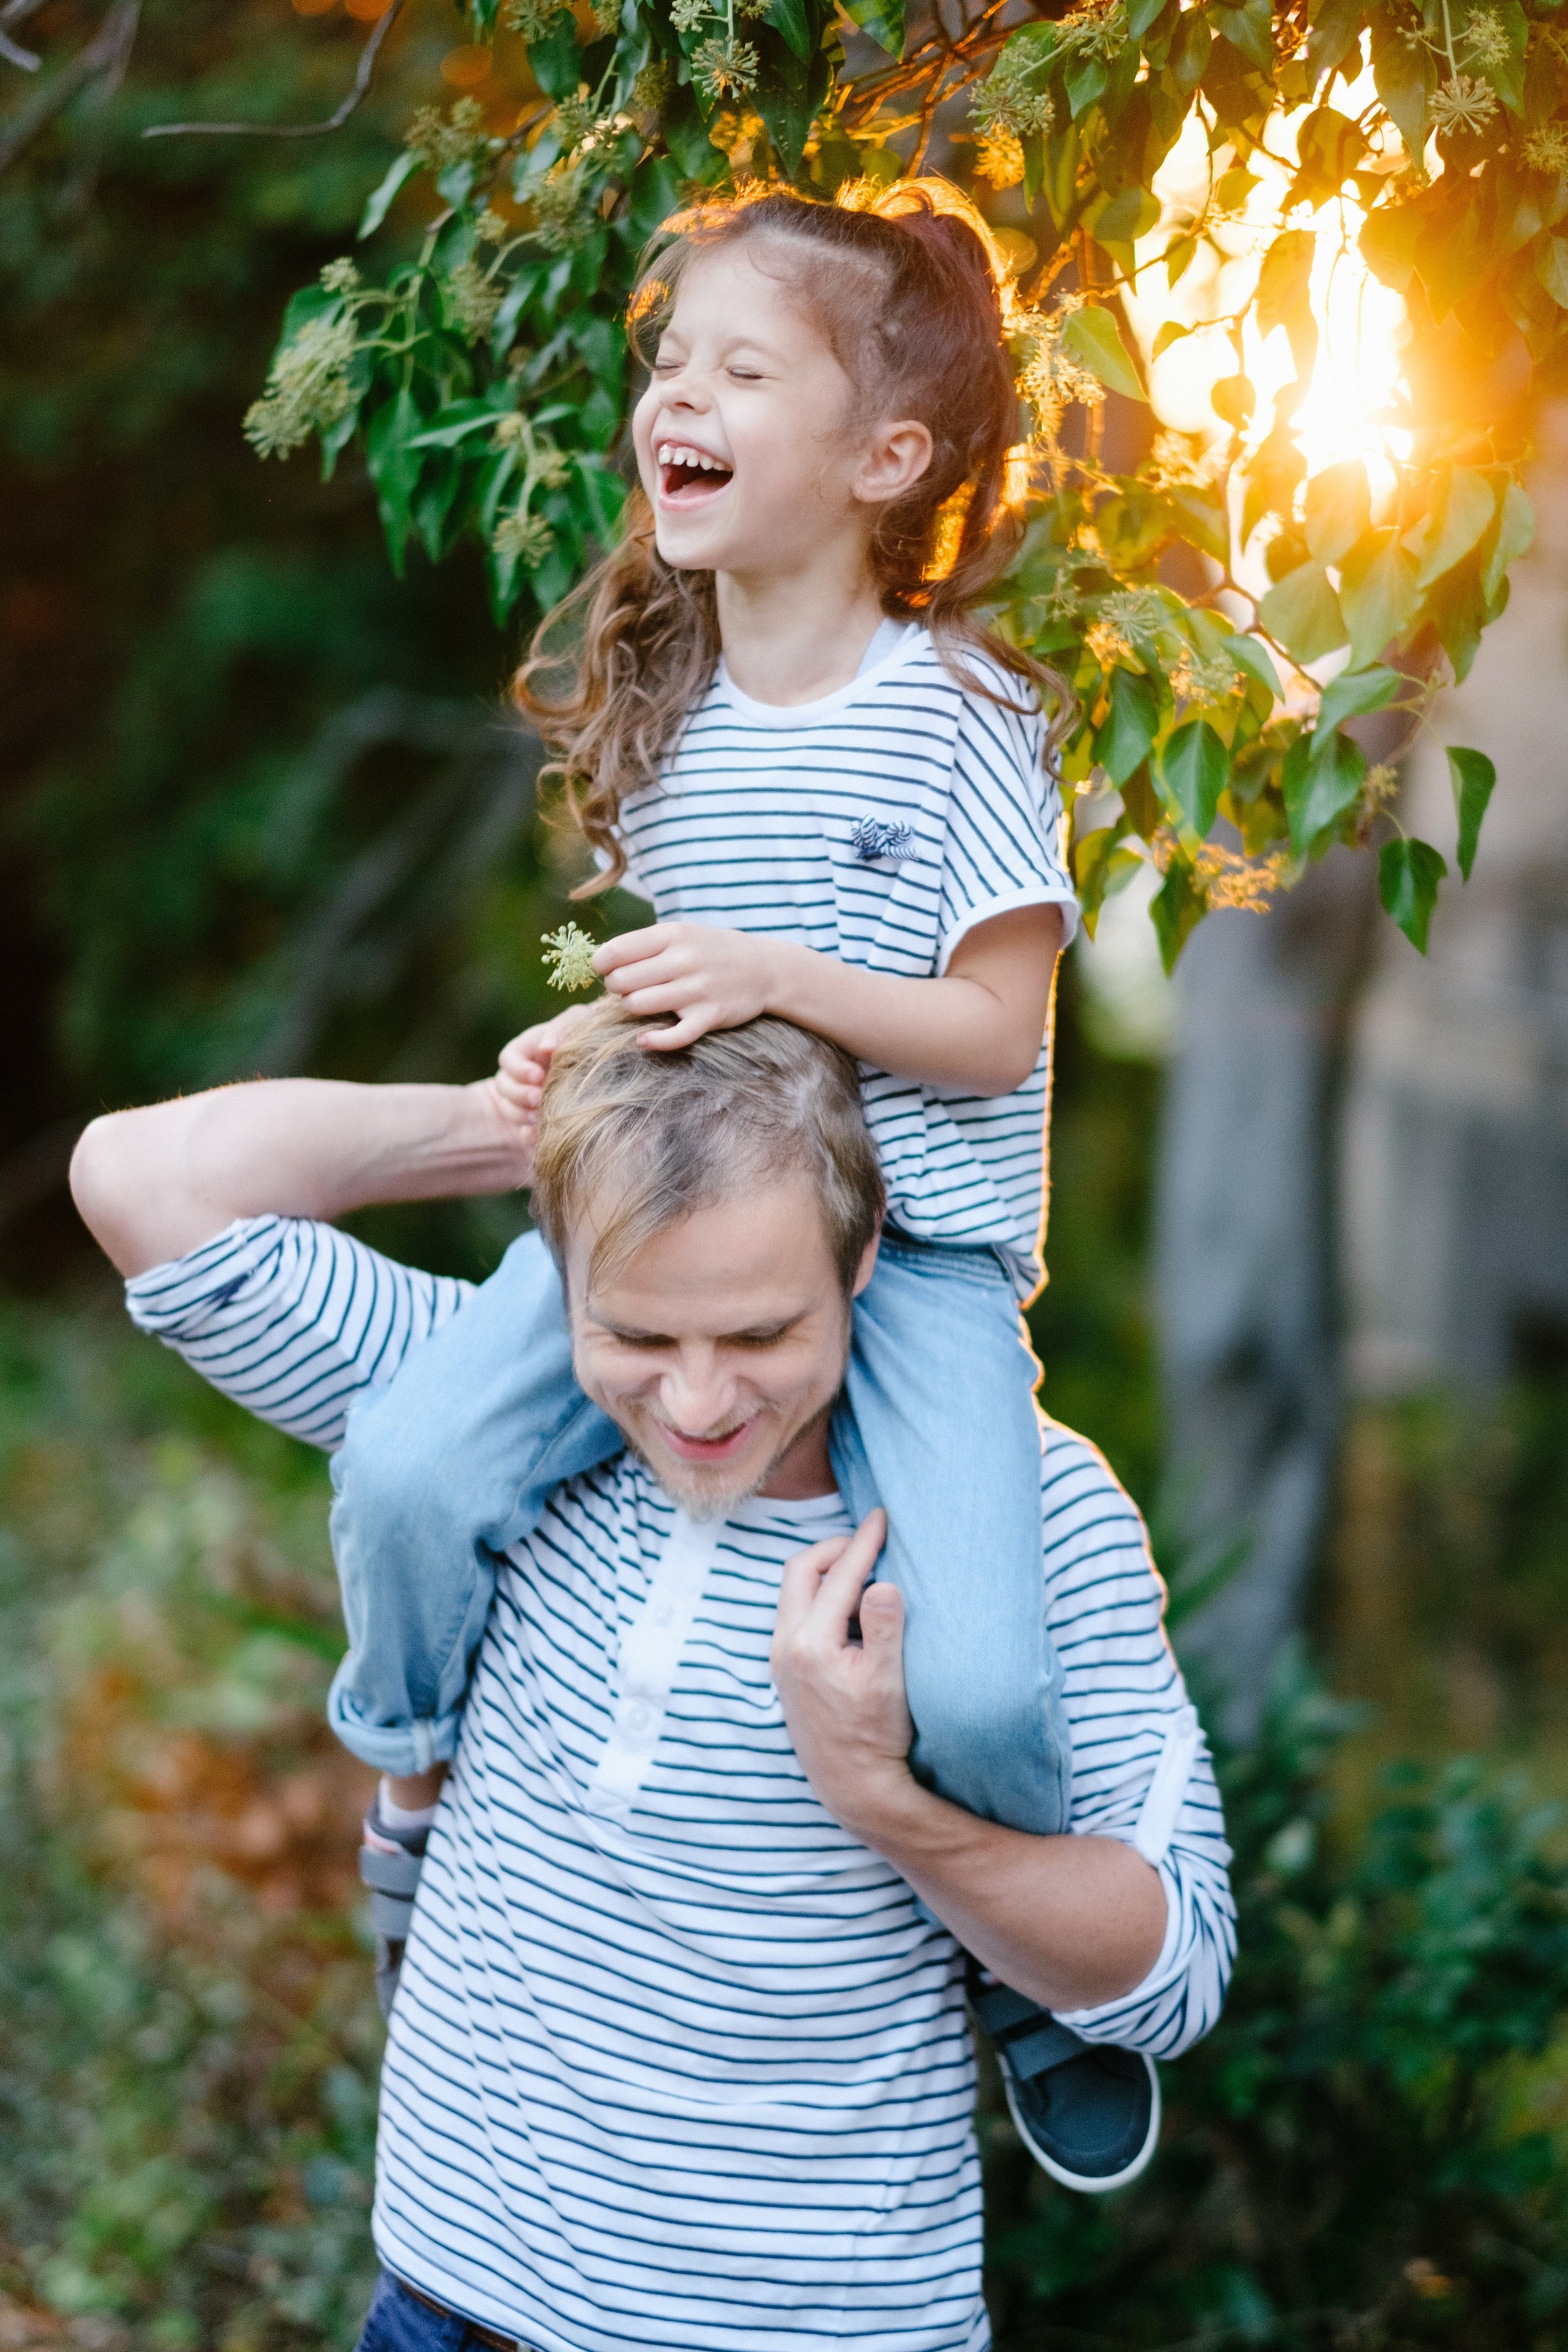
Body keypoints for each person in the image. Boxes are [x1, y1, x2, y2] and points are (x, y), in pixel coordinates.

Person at [70, 1006, 1234, 2352]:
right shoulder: (484, 1425)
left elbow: (1172, 1969)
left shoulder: (1024, 1523)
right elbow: (134, 1175)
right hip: (451, 2304)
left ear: (860, 1260)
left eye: (756, 1337)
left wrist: (883, 1799)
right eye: (633, 1335)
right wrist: (508, 1119)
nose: (693, 1405)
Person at [326, 173, 1104, 2152]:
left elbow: (994, 1036)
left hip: (903, 1271)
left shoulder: (964, 717)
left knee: (999, 1693)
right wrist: (573, 1048)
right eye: (671, 362)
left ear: (883, 454)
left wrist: (779, 970)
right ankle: (408, 1781)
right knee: (411, 1472)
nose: (677, 391)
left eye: (740, 365)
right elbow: (663, 1024)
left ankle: (1018, 1981)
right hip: (664, 1249)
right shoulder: (663, 719)